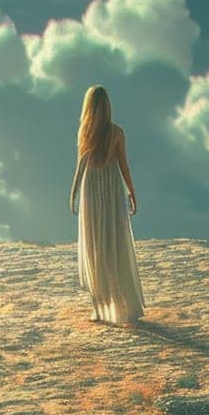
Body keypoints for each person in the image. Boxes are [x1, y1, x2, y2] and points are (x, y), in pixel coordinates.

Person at [69, 85, 145, 325]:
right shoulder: (116, 132)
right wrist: (132, 192)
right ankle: (117, 305)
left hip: (93, 190)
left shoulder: (86, 132)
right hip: (111, 190)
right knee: (114, 244)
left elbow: (81, 165)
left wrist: (74, 193)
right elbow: (124, 165)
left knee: (96, 248)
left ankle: (100, 307)